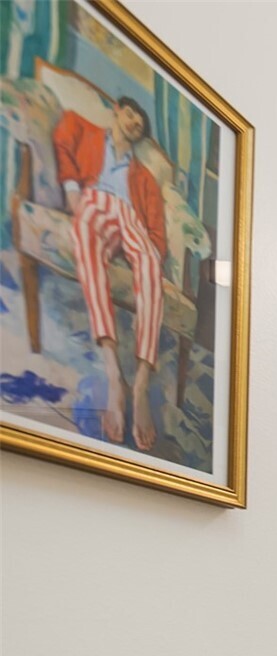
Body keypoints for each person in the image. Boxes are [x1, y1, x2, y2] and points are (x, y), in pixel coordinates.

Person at [52, 97, 168, 450]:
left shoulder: (144, 177)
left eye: (141, 124)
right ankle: (115, 376)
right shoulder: (82, 127)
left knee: (150, 263)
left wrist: (150, 256)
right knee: (86, 243)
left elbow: (157, 231)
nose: (134, 122)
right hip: (95, 201)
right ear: (117, 110)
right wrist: (72, 187)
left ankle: (142, 384)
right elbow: (63, 137)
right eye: (131, 114)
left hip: (129, 217)